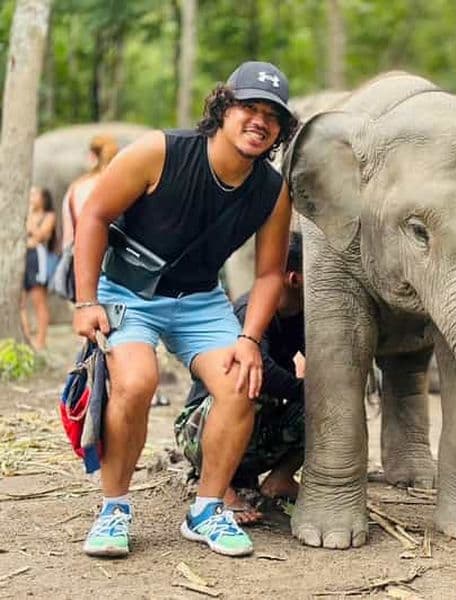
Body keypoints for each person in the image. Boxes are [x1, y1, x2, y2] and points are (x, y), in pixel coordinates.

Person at [72, 60, 298, 559]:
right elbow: (95, 213)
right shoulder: (160, 152)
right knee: (135, 382)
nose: (259, 121)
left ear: (280, 130)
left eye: (272, 115)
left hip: (200, 299)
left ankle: (207, 510)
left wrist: (249, 339)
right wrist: (86, 300)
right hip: (128, 291)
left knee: (240, 383)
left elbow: (267, 275)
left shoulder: (271, 190)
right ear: (223, 108)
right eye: (248, 107)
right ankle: (114, 509)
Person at [175, 232, 305, 525]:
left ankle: (279, 480)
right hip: (201, 427)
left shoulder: (302, 315)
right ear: (294, 279)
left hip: (255, 428)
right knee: (248, 383)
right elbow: (263, 370)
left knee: (327, 404)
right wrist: (303, 390)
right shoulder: (252, 311)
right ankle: (223, 491)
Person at [61, 135, 119, 251]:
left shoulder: (76, 188)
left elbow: (68, 237)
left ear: (92, 156)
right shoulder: (119, 186)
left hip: (79, 254)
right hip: (110, 257)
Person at [21, 187, 57, 350]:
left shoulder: (49, 216)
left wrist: (29, 219)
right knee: (20, 301)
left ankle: (41, 341)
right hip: (24, 257)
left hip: (38, 259)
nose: (31, 197)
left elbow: (40, 235)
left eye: (35, 194)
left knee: (39, 301)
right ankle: (27, 337)